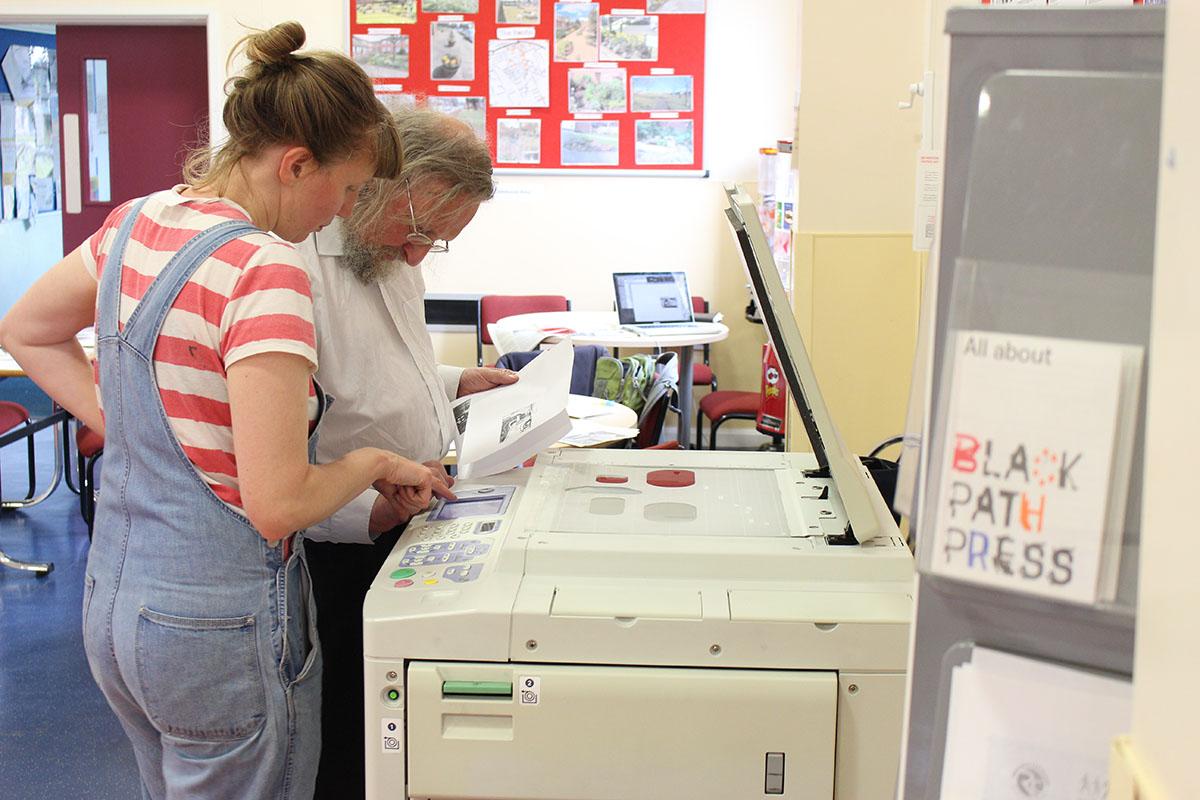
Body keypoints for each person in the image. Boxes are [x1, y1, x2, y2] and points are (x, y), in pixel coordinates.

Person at [0, 22, 452, 800]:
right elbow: (279, 505)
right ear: (296, 164)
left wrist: (127, 420)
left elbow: (27, 330)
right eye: (347, 189)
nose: (342, 212)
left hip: (117, 604)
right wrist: (374, 461)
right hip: (217, 627)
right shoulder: (265, 268)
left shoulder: (135, 221)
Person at [297, 108, 510, 799]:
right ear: (380, 182)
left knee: (404, 724)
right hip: (340, 540)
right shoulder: (297, 266)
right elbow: (281, 450)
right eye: (418, 232)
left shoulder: (387, 252)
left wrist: (454, 382)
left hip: (414, 510)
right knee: (350, 731)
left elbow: (381, 373)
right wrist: (368, 512)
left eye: (437, 242)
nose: (419, 255)